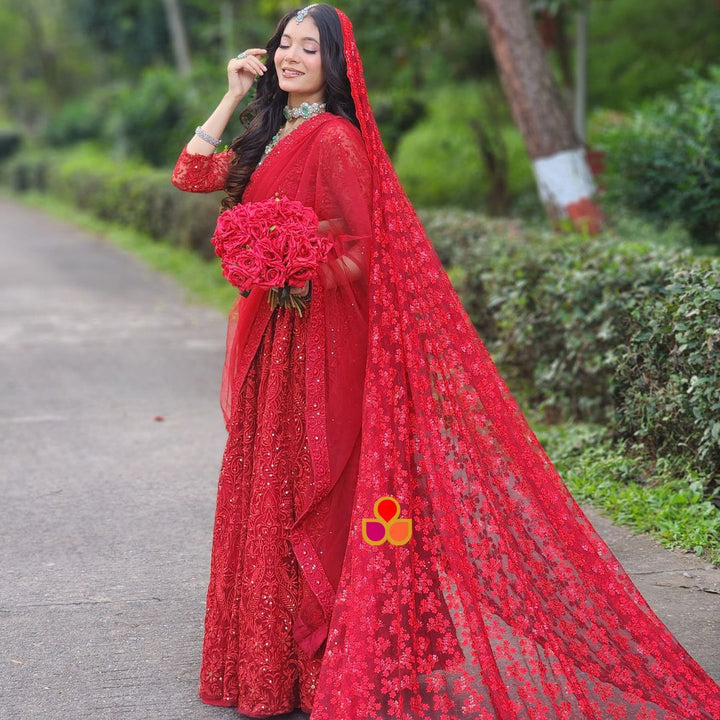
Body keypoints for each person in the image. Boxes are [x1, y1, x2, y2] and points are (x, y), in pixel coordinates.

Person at [172, 4, 720, 719]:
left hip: (324, 344)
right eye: (284, 45)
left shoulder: (336, 138)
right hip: (278, 344)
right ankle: (275, 670)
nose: (290, 56)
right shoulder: (269, 131)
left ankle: (347, 665)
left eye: (309, 47)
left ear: (336, 64)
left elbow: (369, 249)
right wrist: (233, 93)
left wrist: (298, 264)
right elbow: (191, 175)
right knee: (267, 487)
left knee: (325, 491)